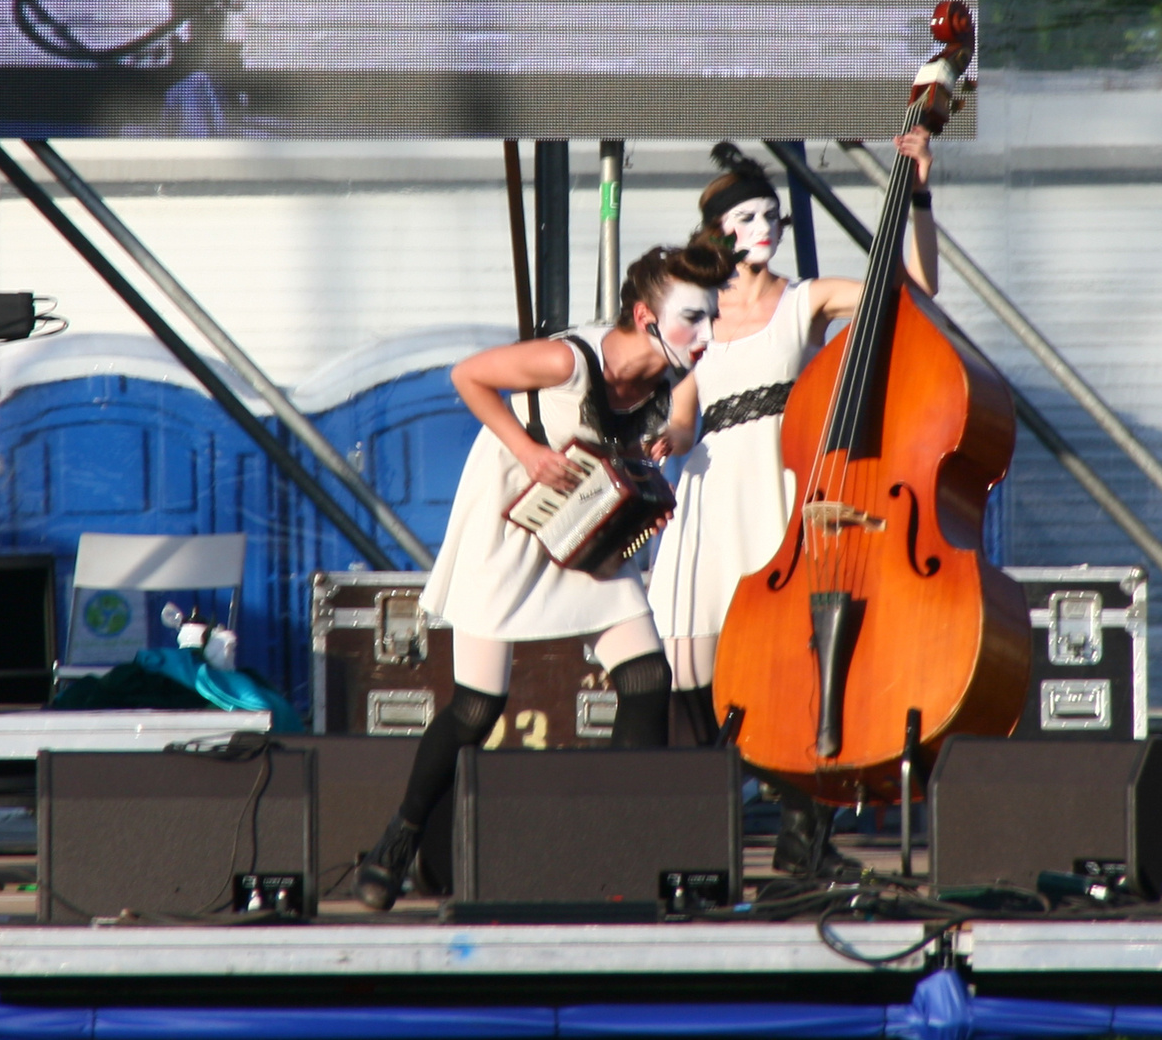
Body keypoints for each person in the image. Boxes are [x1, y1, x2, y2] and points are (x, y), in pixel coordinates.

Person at [354, 243, 731, 911]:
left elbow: (681, 420)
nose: (706, 335)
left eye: (711, 318)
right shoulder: (567, 361)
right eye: (692, 319)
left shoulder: (666, 376)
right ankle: (401, 835)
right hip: (511, 526)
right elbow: (468, 375)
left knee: (646, 679)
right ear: (645, 316)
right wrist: (527, 451)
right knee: (477, 706)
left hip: (585, 532)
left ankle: (619, 844)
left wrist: (657, 470)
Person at [641, 132, 939, 874]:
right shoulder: (697, 314)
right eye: (750, 218)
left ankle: (805, 843)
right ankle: (701, 844)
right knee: (696, 676)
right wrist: (665, 440)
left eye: (772, 214)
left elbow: (912, 289)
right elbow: (684, 415)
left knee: (800, 672)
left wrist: (919, 196)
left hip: (784, 489)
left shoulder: (803, 298)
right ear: (719, 234)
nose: (766, 227)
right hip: (713, 492)